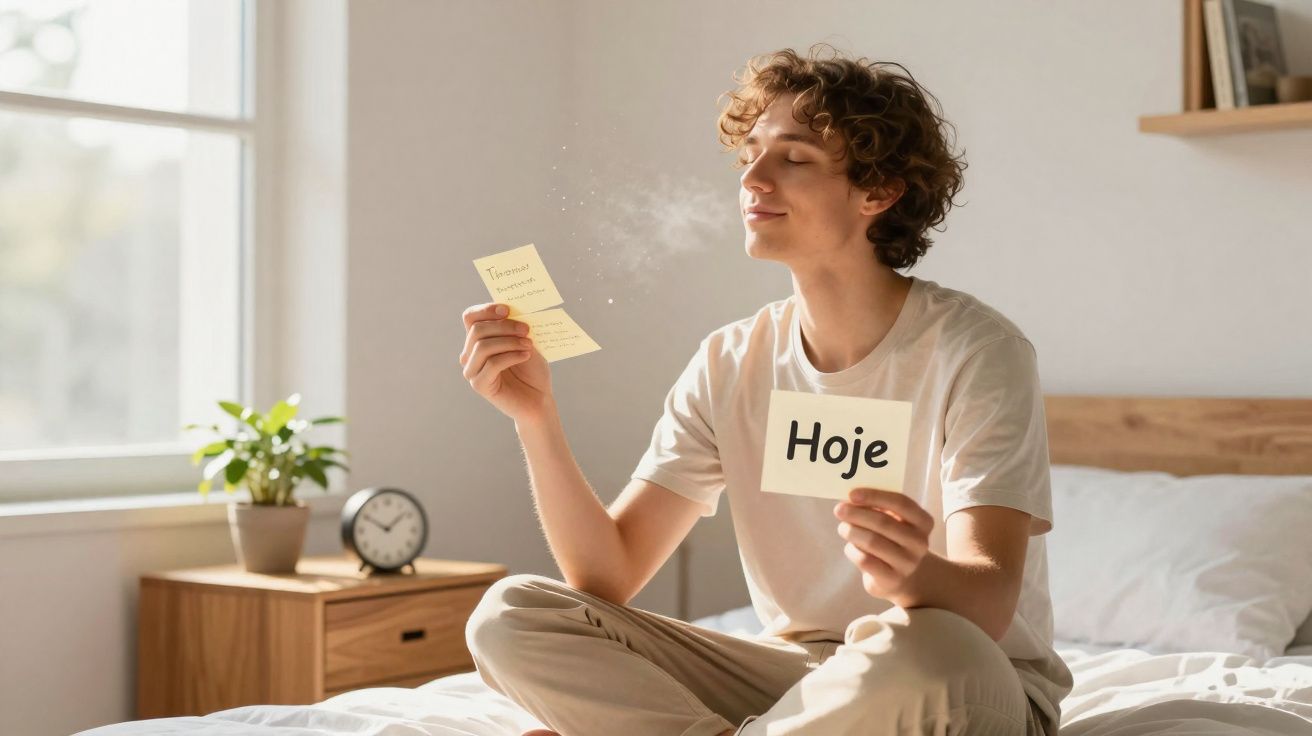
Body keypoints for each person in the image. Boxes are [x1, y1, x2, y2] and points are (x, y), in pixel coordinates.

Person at [457, 43, 1073, 736]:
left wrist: (913, 576)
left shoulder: (978, 352)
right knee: (511, 615)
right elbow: (609, 577)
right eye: (750, 152)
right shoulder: (730, 361)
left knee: (936, 646)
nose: (753, 176)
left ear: (878, 192)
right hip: (794, 687)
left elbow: (987, 604)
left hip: (961, 678)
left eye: (795, 157)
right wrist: (534, 416)